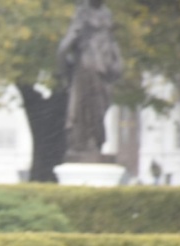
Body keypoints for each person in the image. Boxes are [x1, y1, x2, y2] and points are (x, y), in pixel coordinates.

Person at [57, 0, 123, 162]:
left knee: (97, 106)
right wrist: (66, 72)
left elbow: (111, 41)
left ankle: (93, 141)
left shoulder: (106, 14)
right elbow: (65, 46)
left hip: (101, 67)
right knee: (86, 107)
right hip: (89, 67)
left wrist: (117, 60)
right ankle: (88, 142)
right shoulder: (82, 13)